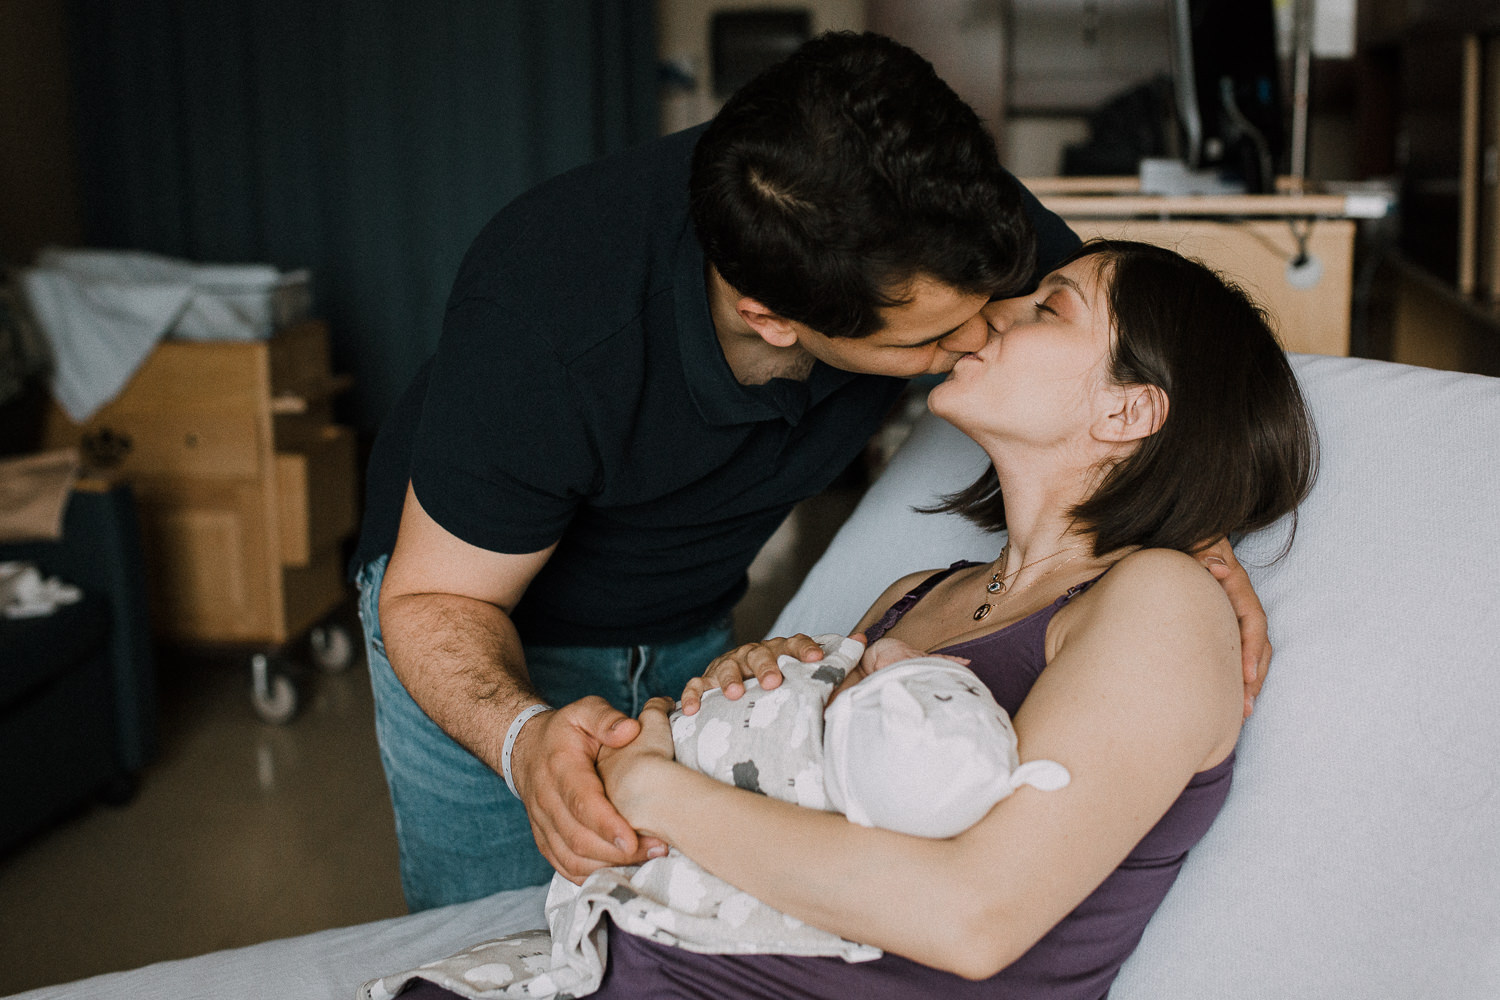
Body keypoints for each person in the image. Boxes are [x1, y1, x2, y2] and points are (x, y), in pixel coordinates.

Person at [351, 30, 1274, 912]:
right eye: (931, 338)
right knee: (497, 931)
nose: (982, 334)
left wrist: (1191, 529)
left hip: (694, 619)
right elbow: (437, 602)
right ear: (774, 319)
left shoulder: (944, 223)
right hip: (479, 621)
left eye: (1007, 305)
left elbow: (1139, 372)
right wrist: (522, 740)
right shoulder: (547, 322)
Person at [383, 239, 1316, 999]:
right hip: (639, 960)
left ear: (1129, 410)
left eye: (1049, 307)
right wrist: (745, 710)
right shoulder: (917, 595)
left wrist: (651, 788)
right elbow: (815, 813)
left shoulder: (1161, 600)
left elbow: (973, 918)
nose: (993, 315)